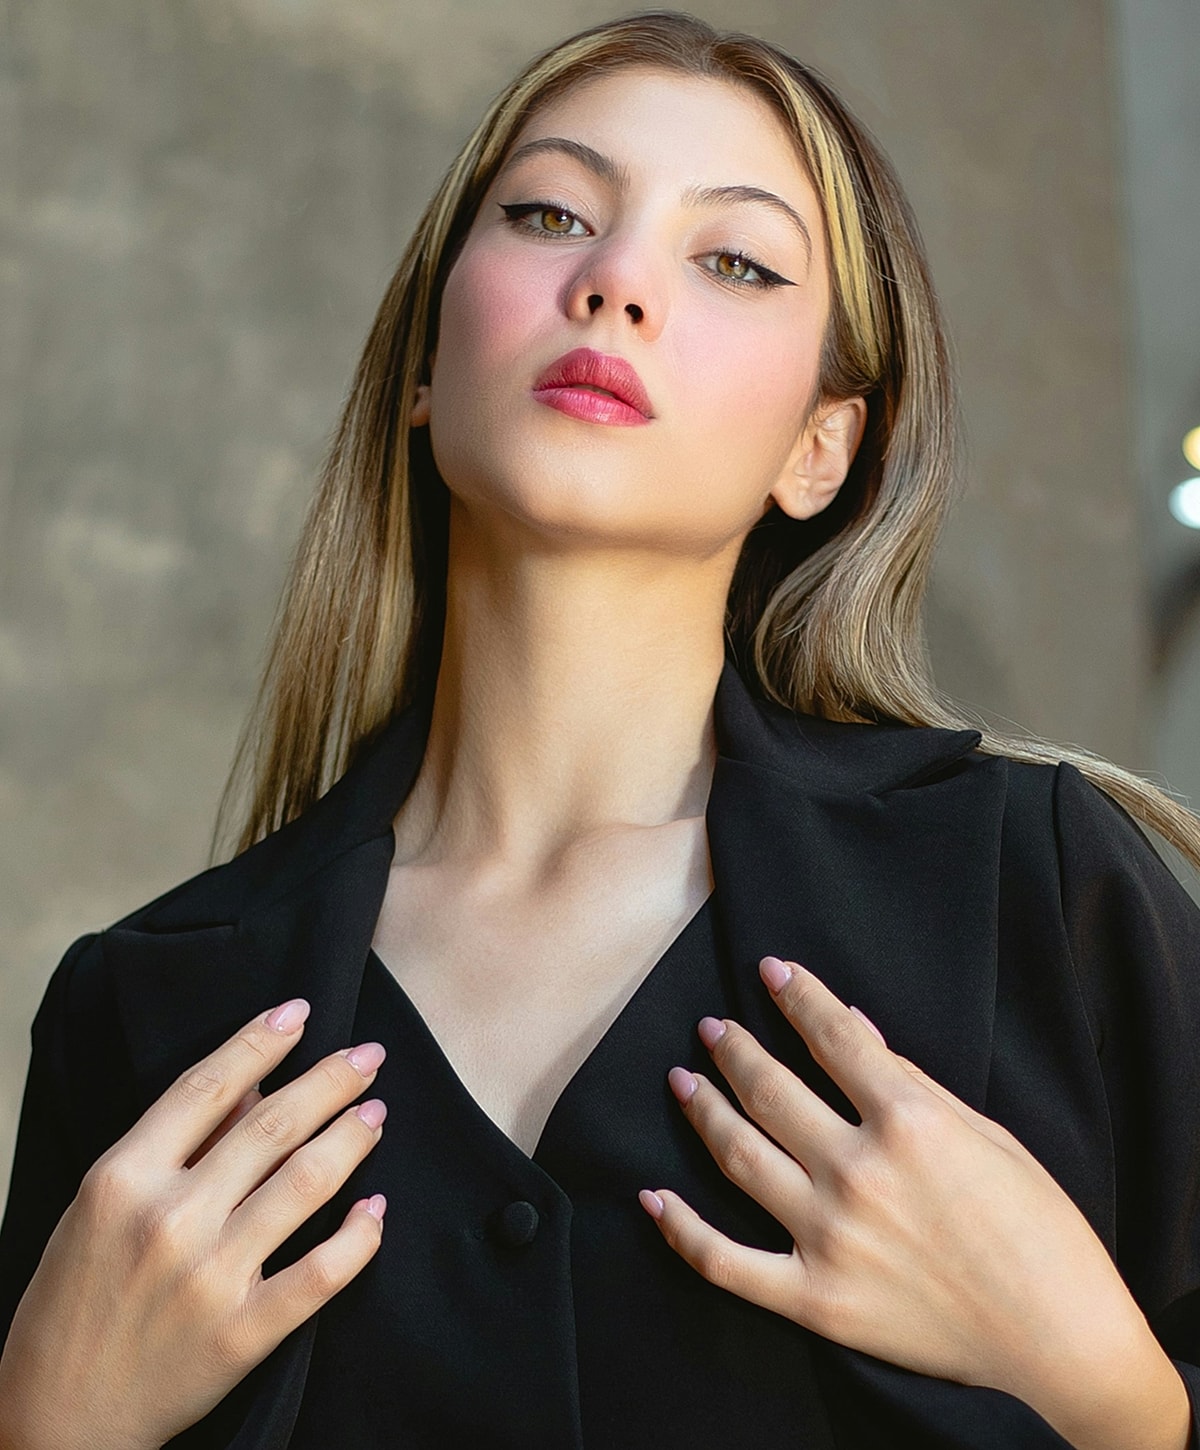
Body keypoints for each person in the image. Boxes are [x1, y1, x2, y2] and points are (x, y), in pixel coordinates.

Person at [2, 9, 1199, 1448]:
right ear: (428, 362)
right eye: (553, 212)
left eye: (735, 260)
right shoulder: (146, 1017)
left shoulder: (1034, 898)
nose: (616, 280)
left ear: (822, 448)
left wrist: (1118, 1393)